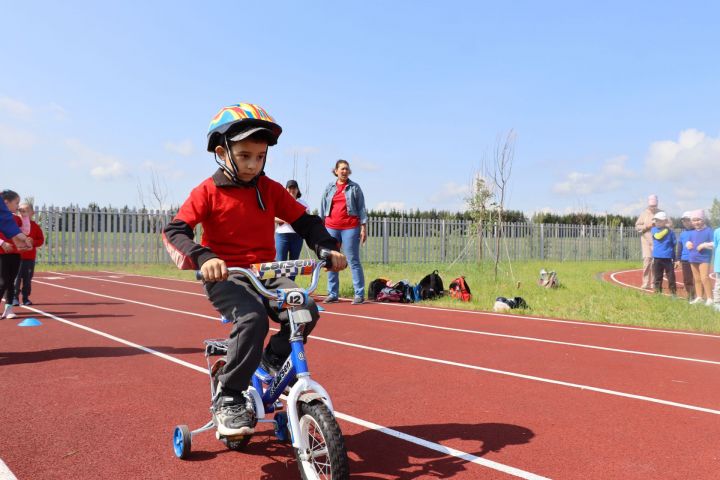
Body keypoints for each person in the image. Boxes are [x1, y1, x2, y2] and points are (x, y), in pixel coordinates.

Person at [162, 103, 347, 437]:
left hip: (267, 271)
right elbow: (174, 231)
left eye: (260, 157)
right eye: (245, 156)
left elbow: (305, 221)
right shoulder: (207, 191)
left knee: (305, 308)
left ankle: (269, 362)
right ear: (223, 152)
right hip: (228, 275)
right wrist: (204, 257)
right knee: (252, 320)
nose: (253, 164)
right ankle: (229, 395)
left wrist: (325, 247)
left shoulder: (270, 189)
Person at [319, 159, 368, 305]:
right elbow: (322, 207)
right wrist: (320, 227)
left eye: (346, 169)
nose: (344, 171)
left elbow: (361, 208)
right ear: (336, 171)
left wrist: (363, 227)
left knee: (353, 260)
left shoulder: (355, 187)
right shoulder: (329, 188)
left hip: (350, 227)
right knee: (332, 259)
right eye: (342, 169)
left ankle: (359, 294)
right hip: (331, 226)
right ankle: (332, 293)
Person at [274, 179, 309, 280]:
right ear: (286, 189)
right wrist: (286, 219)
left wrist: (294, 219)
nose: (292, 190)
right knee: (280, 263)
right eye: (290, 188)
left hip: (297, 235)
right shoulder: (280, 202)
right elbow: (272, 216)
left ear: (298, 190)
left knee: (294, 263)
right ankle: (280, 286)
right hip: (281, 235)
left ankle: (291, 286)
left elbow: (306, 219)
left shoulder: (303, 204)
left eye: (294, 188)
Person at [13, 202, 44, 306]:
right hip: (16, 257)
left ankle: (26, 298)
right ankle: (14, 297)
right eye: (20, 210)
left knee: (27, 279)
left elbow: (40, 240)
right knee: (16, 279)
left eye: (25, 210)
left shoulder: (35, 226)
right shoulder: (15, 225)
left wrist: (32, 242)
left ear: (32, 213)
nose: (22, 212)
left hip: (29, 258)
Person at [0, 190, 23, 319]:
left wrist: (24, 217)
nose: (18, 206)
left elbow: (24, 231)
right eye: (16, 203)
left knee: (10, 282)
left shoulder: (15, 218)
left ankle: (9, 309)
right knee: (2, 282)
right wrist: (2, 243)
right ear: (5, 202)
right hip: (1, 253)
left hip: (14, 253)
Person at [686, 210, 714, 306]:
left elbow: (714, 243)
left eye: (698, 220)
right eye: (694, 220)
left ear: (703, 220)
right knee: (696, 279)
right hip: (693, 257)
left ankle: (710, 298)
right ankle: (699, 297)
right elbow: (688, 242)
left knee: (704, 278)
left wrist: (704, 245)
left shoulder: (709, 231)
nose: (696, 222)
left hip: (704, 258)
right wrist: (688, 244)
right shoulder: (692, 232)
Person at [635, 194, 660, 289]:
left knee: (655, 263)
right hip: (646, 241)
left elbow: (669, 224)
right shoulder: (644, 214)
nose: (653, 208)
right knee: (647, 261)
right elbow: (637, 227)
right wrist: (647, 226)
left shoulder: (661, 213)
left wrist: (660, 225)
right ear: (648, 205)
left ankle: (653, 283)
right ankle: (645, 282)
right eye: (651, 206)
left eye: (655, 206)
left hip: (657, 242)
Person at [650, 211, 676, 295]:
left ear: (665, 221)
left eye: (660, 221)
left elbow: (673, 244)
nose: (657, 222)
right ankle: (657, 292)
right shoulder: (654, 230)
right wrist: (667, 229)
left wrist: (675, 259)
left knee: (671, 277)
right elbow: (658, 236)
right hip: (657, 258)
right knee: (658, 277)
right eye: (656, 221)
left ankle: (673, 293)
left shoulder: (671, 232)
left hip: (668, 258)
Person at [676, 211, 696, 301]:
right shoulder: (682, 234)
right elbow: (679, 247)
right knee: (687, 279)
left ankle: (699, 295)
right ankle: (691, 295)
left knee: (697, 278)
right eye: (684, 221)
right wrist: (678, 259)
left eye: (688, 220)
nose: (686, 223)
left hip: (696, 259)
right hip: (685, 259)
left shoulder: (697, 232)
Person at [713, 223, 720, 312]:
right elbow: (715, 245)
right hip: (719, 264)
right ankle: (717, 302)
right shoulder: (717, 231)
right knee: (718, 284)